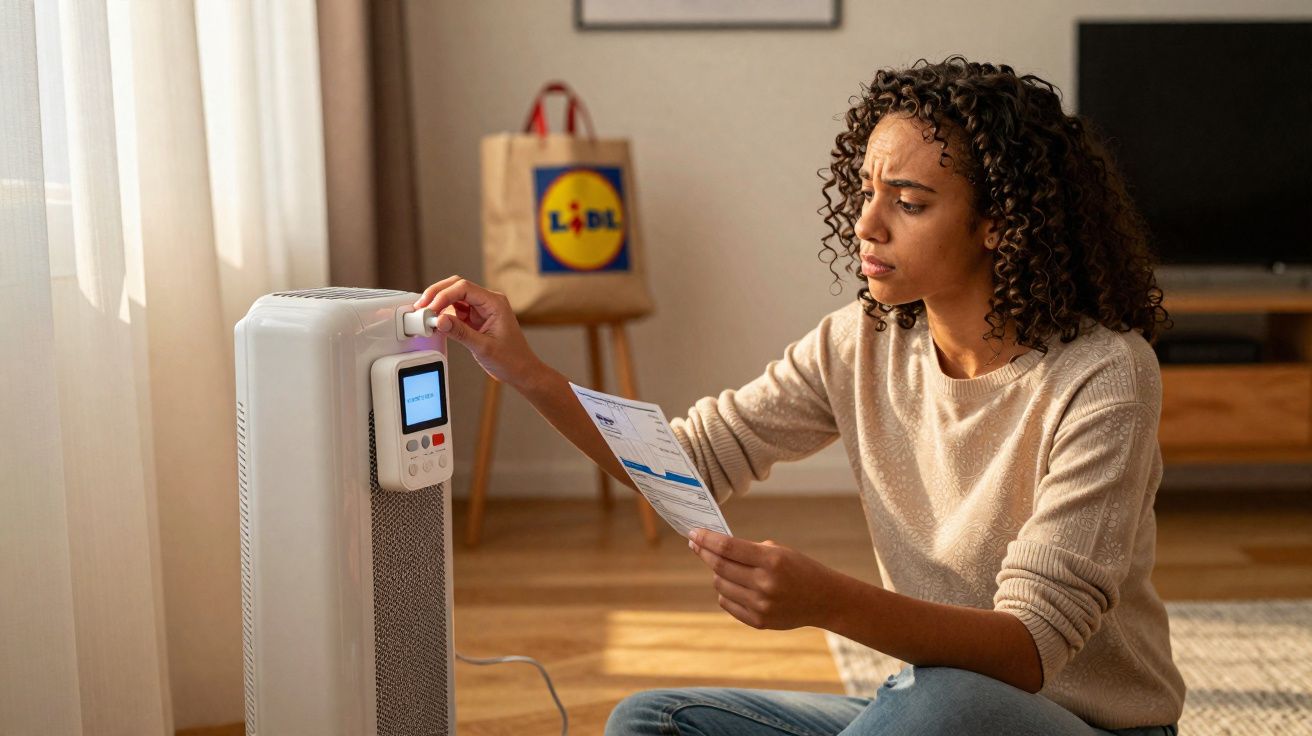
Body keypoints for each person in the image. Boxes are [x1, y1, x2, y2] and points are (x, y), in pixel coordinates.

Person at [414, 55, 1185, 736]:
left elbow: (1029, 649)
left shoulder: (1105, 374)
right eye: (867, 192)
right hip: (927, 709)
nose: (867, 224)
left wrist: (828, 602)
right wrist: (527, 371)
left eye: (910, 203)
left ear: (999, 224)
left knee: (942, 701)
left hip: (1077, 724)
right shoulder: (862, 341)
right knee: (651, 721)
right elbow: (685, 461)